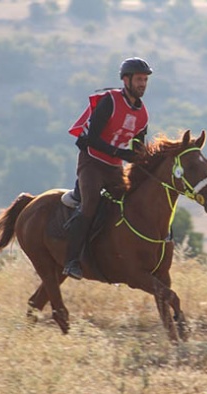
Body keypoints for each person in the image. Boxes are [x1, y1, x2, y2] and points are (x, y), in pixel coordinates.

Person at [62, 57, 152, 280]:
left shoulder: (143, 115)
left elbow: (137, 148)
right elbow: (91, 139)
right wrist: (122, 154)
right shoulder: (110, 101)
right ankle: (71, 261)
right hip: (92, 162)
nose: (143, 84)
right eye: (139, 79)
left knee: (132, 203)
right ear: (126, 80)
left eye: (145, 80)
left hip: (113, 168)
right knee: (91, 204)